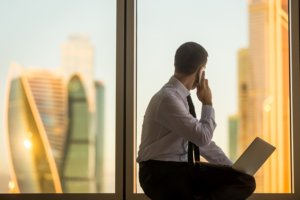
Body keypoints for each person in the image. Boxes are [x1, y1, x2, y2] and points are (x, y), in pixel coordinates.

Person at [136, 42, 256, 200]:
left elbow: (200, 142)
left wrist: (232, 168)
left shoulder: (179, 99)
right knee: (238, 183)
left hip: (178, 169)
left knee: (244, 181)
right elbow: (202, 137)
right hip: (158, 173)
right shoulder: (168, 99)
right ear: (201, 71)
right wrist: (207, 103)